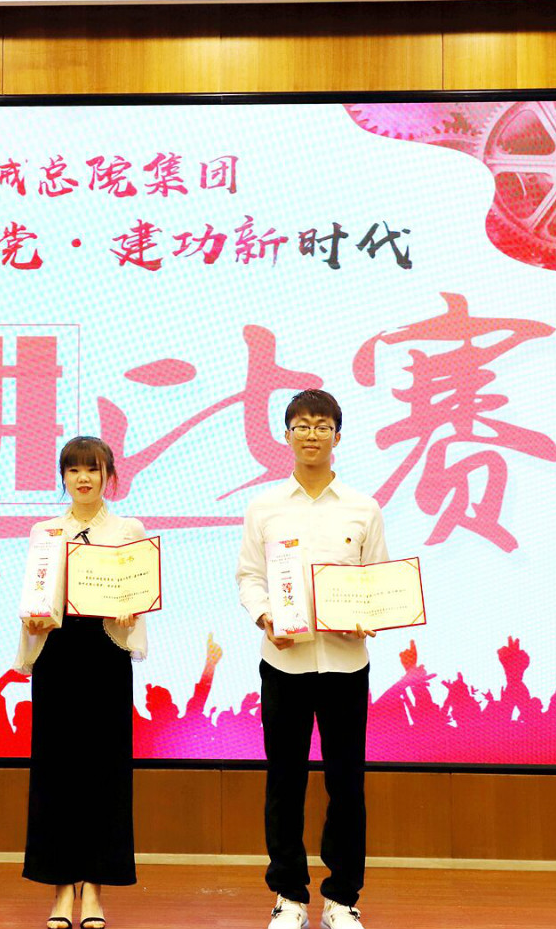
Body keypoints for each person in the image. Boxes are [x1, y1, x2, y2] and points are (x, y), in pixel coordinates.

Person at [235, 390, 386, 929]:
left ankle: (342, 899)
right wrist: (265, 617)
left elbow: (377, 582)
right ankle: (290, 897)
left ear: (337, 436)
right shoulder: (265, 507)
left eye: (322, 426)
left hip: (346, 664)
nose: (312, 434)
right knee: (285, 782)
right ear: (287, 435)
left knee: (346, 785)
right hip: (285, 664)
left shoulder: (363, 508)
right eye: (302, 425)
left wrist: (369, 612)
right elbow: (249, 576)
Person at [15, 436, 147, 929]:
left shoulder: (128, 529)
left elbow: (140, 592)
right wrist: (32, 619)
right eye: (73, 470)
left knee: (104, 773)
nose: (84, 478)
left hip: (106, 653)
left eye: (93, 469)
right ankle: (60, 890)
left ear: (109, 475)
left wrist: (132, 607)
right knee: (56, 773)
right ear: (63, 477)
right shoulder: (46, 531)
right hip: (59, 654)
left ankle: (94, 889)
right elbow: (35, 594)